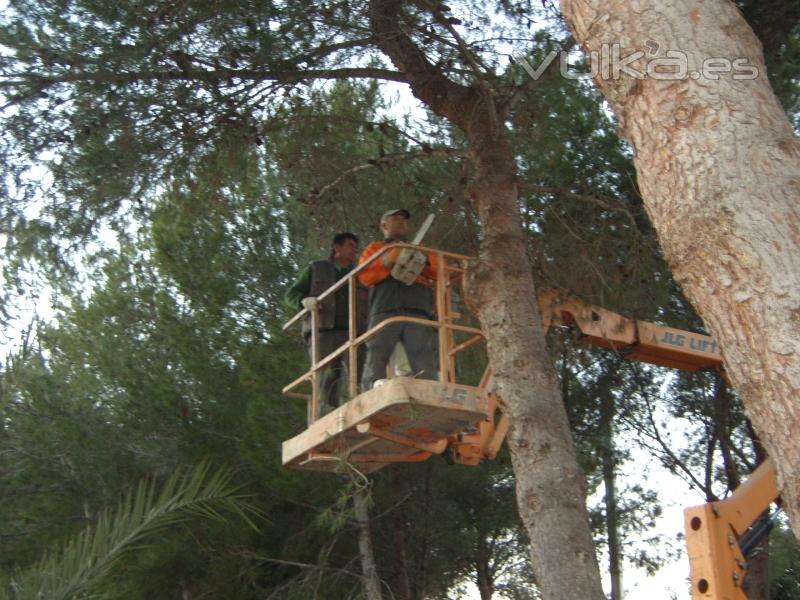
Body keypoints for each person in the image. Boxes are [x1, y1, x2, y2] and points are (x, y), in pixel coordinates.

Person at [358, 209, 439, 391]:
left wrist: (423, 260)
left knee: (422, 351)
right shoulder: (376, 249)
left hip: (417, 307)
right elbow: (364, 275)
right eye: (395, 219)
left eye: (403, 219)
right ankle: (371, 387)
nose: (401, 222)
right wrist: (387, 260)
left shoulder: (420, 249)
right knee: (378, 348)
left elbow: (439, 270)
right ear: (384, 225)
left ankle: (429, 389)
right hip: (386, 306)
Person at [285, 232, 366, 408]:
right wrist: (304, 301)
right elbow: (291, 294)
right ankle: (320, 413)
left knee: (350, 376)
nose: (354, 250)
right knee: (321, 375)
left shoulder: (359, 274)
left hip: (351, 332)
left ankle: (348, 410)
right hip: (322, 331)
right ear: (336, 247)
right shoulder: (317, 268)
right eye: (350, 245)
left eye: (355, 246)